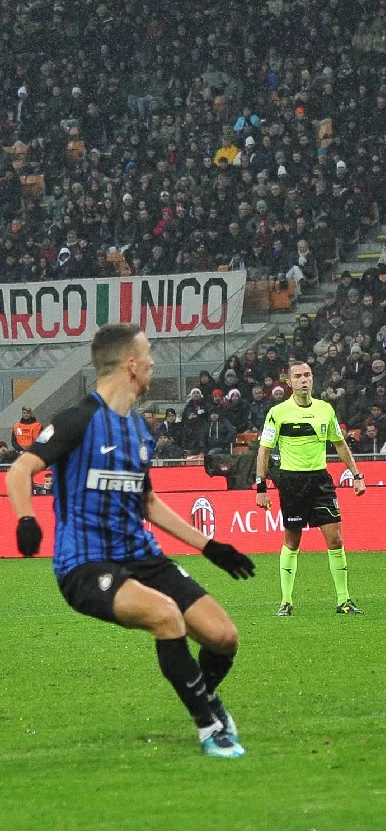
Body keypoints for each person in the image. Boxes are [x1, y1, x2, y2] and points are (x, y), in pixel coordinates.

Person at [4, 323, 257, 758]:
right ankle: (209, 727)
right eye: (149, 353)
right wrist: (26, 519)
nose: (154, 361)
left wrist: (209, 547)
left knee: (224, 637)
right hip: (85, 563)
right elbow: (20, 470)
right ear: (131, 364)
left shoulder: (138, 431)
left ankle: (205, 697)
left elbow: (149, 502)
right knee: (165, 615)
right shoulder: (77, 420)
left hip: (142, 557)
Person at [255, 361, 367, 617]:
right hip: (292, 482)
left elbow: (339, 444)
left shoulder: (325, 409)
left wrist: (357, 475)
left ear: (312, 379)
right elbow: (264, 449)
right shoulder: (278, 412)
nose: (303, 380)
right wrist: (261, 486)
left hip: (320, 481)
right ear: (290, 382)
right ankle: (285, 601)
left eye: (307, 375)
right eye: (298, 376)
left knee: (335, 539)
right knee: (292, 541)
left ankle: (344, 600)